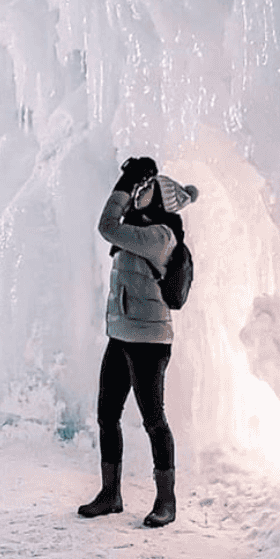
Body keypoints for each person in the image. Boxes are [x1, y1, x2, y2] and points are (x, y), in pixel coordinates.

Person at [78, 155, 198, 528]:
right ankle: (110, 494)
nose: (140, 193)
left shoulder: (160, 237)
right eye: (140, 188)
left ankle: (167, 500)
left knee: (154, 420)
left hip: (148, 340)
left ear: (160, 201)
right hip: (121, 335)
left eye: (147, 190)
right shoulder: (137, 229)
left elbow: (106, 225)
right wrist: (130, 189)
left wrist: (126, 184)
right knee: (106, 414)